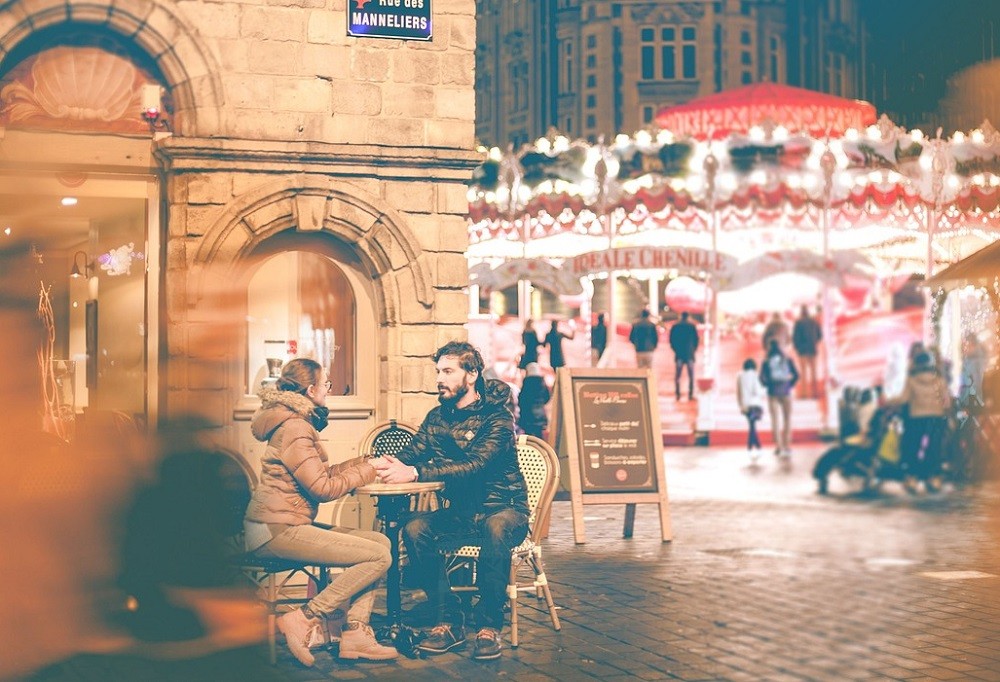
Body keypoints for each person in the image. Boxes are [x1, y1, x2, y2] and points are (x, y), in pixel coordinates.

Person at [372, 341, 529, 661]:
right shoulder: (438, 417)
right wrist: (379, 465)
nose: (439, 379)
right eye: (437, 371)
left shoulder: (497, 418)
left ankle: (488, 627)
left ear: (471, 374)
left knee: (496, 528)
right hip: (463, 512)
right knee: (415, 528)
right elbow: (412, 453)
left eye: (447, 371)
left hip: (505, 508)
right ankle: (449, 619)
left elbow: (474, 465)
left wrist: (414, 473)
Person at [244, 358, 398, 666]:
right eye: (325, 384)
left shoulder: (292, 422)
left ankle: (354, 633)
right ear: (311, 389)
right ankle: (304, 617)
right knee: (379, 557)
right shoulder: (296, 427)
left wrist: (365, 463)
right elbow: (323, 489)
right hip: (275, 529)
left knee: (380, 543)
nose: (328, 390)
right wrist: (367, 471)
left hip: (282, 523)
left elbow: (320, 475)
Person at [892, 351, 952, 493]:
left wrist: (889, 401)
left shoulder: (911, 380)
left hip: (917, 418)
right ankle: (934, 479)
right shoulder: (939, 381)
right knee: (934, 448)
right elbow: (946, 402)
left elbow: (904, 399)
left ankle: (912, 479)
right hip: (935, 418)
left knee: (914, 448)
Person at [759, 339, 799, 458]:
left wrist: (769, 385)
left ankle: (779, 447)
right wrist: (789, 384)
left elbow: (762, 379)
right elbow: (797, 375)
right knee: (787, 420)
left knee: (775, 421)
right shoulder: (787, 360)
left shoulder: (766, 361)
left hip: (772, 393)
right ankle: (787, 446)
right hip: (786, 392)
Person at [736, 358, 766, 457]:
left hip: (745, 404)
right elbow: (757, 390)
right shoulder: (755, 375)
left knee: (751, 425)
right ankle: (756, 446)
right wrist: (764, 390)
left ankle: (752, 446)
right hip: (755, 404)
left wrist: (740, 405)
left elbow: (738, 393)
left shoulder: (740, 376)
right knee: (752, 426)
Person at [791, 305, 823, 398]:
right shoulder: (814, 322)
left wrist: (797, 348)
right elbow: (820, 335)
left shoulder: (798, 323)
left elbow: (795, 338)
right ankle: (815, 393)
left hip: (802, 351)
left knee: (803, 374)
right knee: (814, 373)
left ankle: (804, 394)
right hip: (812, 349)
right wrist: (814, 342)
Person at [668, 311, 699, 400]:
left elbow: (671, 340)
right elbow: (696, 340)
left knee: (678, 376)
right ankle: (690, 394)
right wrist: (693, 350)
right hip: (689, 354)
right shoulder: (692, 326)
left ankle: (677, 394)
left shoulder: (675, 326)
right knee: (691, 376)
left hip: (679, 354)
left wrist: (675, 349)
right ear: (688, 316)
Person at [518, 362, 551, 438]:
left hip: (528, 415)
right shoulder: (542, 383)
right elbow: (547, 397)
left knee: (528, 438)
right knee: (539, 437)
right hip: (540, 415)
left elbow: (521, 399)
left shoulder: (527, 383)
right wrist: (540, 405)